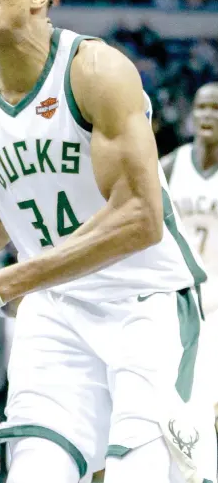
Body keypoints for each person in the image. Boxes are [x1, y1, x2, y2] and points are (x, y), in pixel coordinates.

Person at [0, 0, 217, 483]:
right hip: (53, 309)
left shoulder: (96, 71)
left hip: (146, 304)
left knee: (140, 474)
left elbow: (140, 221)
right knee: (35, 470)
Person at [161, 82, 218, 471]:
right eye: (201, 107)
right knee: (173, 400)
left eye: (216, 109)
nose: (207, 116)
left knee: (207, 399)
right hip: (179, 297)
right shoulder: (169, 165)